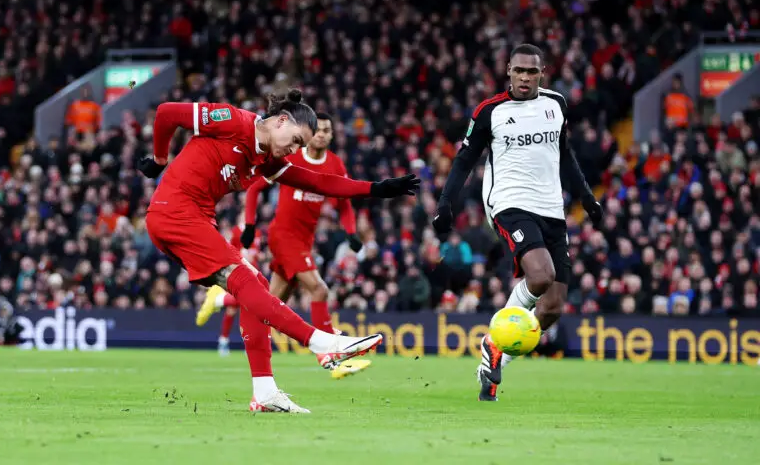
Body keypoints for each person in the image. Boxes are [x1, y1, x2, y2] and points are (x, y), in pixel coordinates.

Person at [138, 89, 419, 412]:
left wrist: (376, 189)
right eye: (297, 140)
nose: (295, 149)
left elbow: (319, 183)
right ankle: (322, 343)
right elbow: (166, 113)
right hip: (175, 212)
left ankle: (265, 391)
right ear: (282, 120)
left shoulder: (266, 160)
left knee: (255, 285)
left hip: (194, 218)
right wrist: (160, 159)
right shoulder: (232, 120)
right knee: (246, 279)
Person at [432, 44, 603, 401]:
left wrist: (586, 197)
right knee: (539, 276)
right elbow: (464, 160)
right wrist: (446, 202)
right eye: (519, 71)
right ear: (508, 70)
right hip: (509, 203)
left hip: (551, 207)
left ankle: (494, 364)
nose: (525, 78)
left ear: (543, 73)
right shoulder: (490, 111)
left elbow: (565, 153)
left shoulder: (556, 105)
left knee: (553, 306)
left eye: (532, 72)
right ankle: (495, 339)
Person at [198, 113, 371, 381]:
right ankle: (331, 358)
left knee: (270, 303)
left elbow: (344, 201)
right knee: (319, 289)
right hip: (284, 236)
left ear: (333, 135)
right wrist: (251, 225)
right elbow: (255, 189)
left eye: (328, 130)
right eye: (319, 130)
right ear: (311, 134)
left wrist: (351, 232)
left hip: (304, 241)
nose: (323, 134)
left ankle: (221, 299)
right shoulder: (292, 158)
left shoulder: (335, 165)